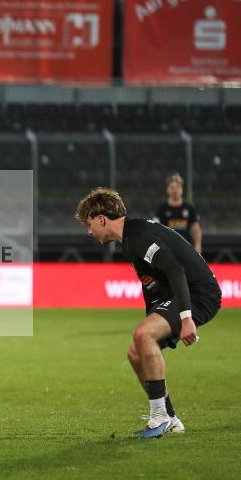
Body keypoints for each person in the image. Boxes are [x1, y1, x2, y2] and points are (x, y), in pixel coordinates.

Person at [75, 187, 222, 439]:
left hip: (198, 294)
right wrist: (154, 316)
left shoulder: (139, 236)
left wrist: (186, 318)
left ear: (101, 219)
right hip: (177, 295)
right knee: (136, 352)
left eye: (89, 224)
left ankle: (159, 417)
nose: (89, 231)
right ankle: (170, 418)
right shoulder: (130, 238)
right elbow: (153, 284)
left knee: (143, 335)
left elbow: (176, 270)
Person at [155, 173, 202, 254]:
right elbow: (156, 229)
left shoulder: (189, 208)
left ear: (182, 189)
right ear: (167, 189)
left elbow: (196, 229)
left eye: (177, 187)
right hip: (168, 249)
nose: (175, 190)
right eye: (172, 187)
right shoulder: (162, 208)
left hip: (187, 248)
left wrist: (198, 246)